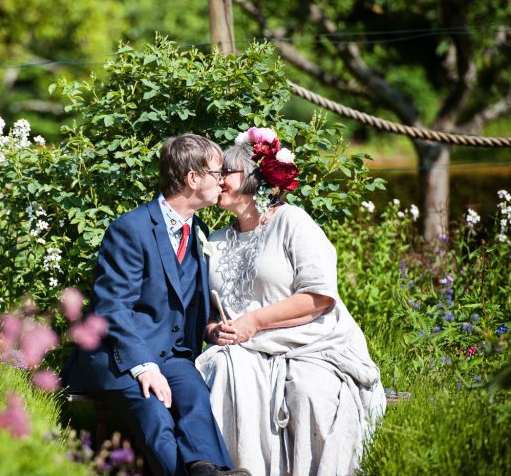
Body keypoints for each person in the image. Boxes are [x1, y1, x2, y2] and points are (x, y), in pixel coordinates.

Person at [195, 128, 386, 476]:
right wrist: (213, 331)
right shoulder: (217, 240)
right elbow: (208, 313)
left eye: (227, 173)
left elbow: (319, 297)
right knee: (225, 368)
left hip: (310, 342)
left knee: (309, 391)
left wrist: (254, 322)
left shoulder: (292, 222)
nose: (219, 181)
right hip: (245, 350)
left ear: (254, 179)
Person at [64, 134, 251, 476]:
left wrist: (211, 328)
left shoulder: (198, 230)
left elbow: (191, 299)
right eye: (216, 172)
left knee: (195, 400)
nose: (223, 179)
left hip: (174, 355)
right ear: (192, 179)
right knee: (156, 413)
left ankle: (211, 472)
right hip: (119, 357)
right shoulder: (130, 229)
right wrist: (144, 366)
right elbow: (112, 308)